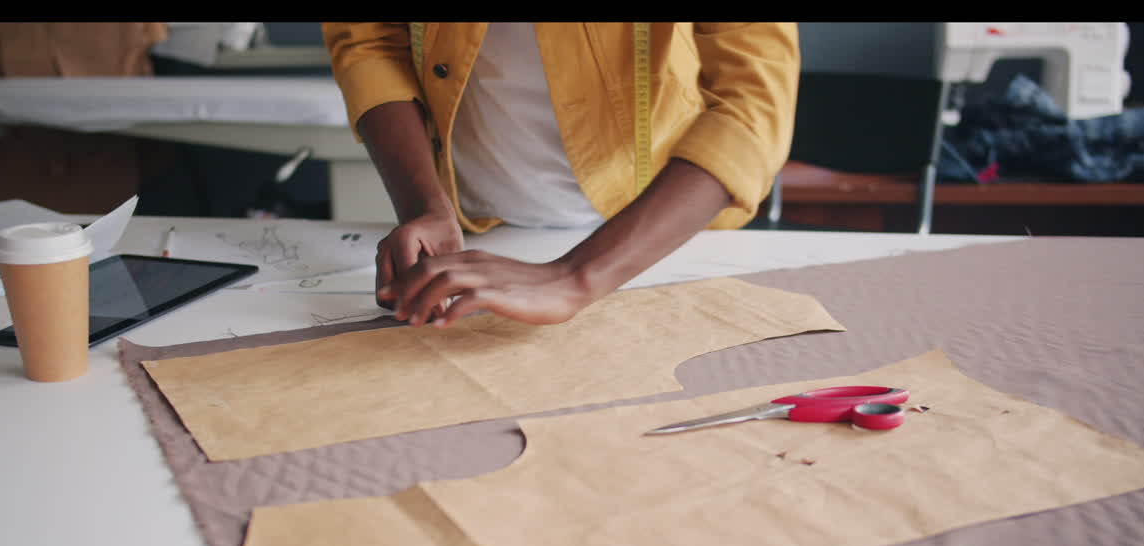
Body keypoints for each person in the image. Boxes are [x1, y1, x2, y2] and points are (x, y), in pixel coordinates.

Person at [322, 22, 799, 327]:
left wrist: (577, 276)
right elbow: (369, 41)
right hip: (479, 231)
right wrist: (423, 204)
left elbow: (752, 101)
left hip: (663, 234)